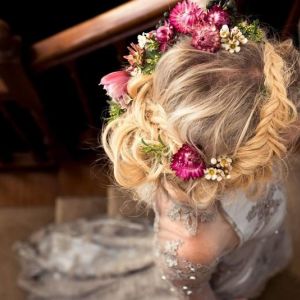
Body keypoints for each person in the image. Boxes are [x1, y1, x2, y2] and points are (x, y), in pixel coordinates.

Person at [101, 1, 300, 299]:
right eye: (288, 120)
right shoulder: (190, 248)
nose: (294, 126)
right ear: (236, 149)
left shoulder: (245, 144)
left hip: (261, 241)